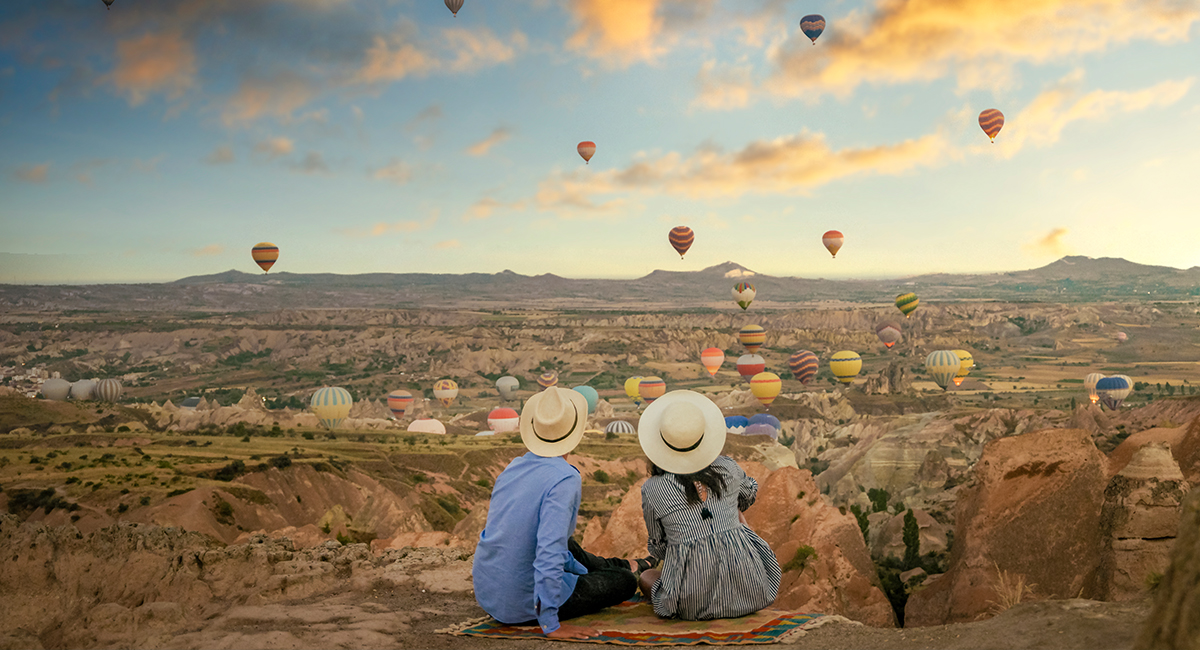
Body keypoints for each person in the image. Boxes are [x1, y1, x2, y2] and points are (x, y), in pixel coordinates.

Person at [472, 387, 646, 639]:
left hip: (491, 594)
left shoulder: (513, 467)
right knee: (624, 582)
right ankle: (622, 569)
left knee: (571, 546)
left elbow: (537, 538)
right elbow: (549, 550)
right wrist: (551, 623)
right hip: (522, 602)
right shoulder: (564, 478)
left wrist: (581, 571)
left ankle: (619, 565)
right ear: (575, 431)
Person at [636, 389, 782, 620]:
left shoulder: (653, 488)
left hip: (692, 604)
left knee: (648, 577)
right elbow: (750, 493)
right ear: (704, 437)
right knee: (734, 511)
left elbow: (659, 547)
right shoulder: (727, 467)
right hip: (752, 590)